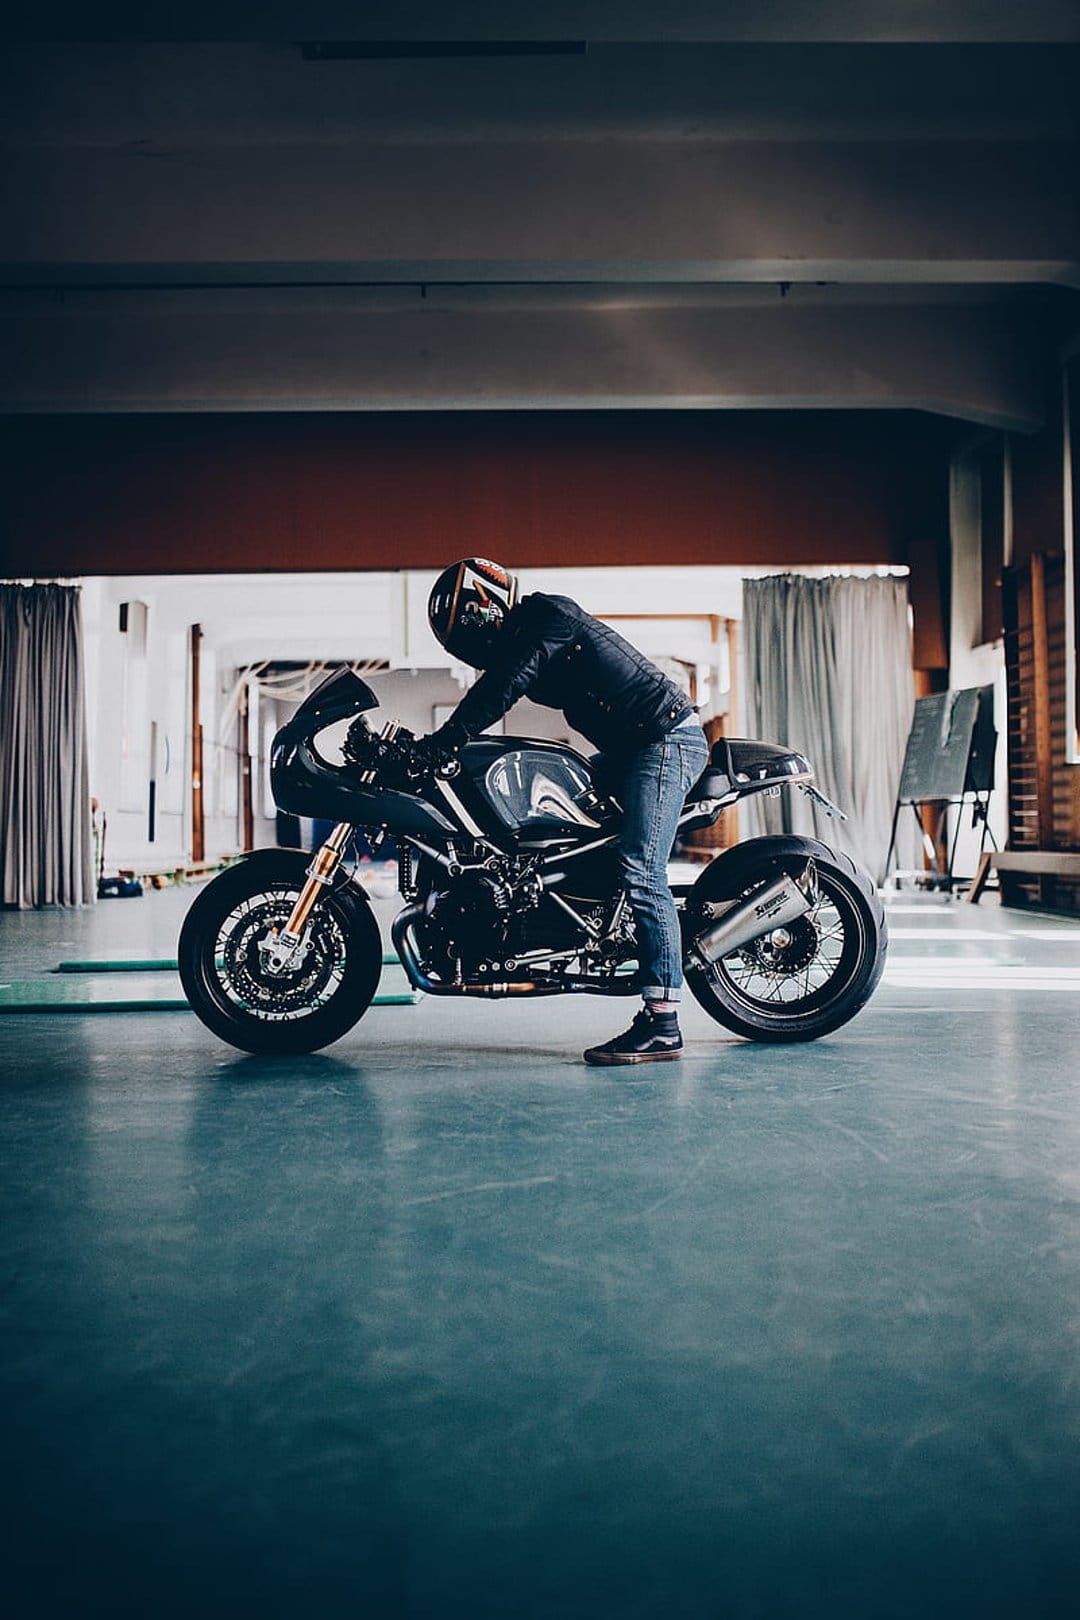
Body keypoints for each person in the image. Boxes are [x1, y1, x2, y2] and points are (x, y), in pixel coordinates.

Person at [413, 558, 710, 1066]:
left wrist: (447, 738)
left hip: (665, 741)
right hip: (629, 751)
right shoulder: (528, 634)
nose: (468, 640)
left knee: (641, 867)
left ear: (484, 605)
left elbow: (504, 683)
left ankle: (662, 1021)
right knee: (558, 821)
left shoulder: (549, 616)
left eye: (466, 626)